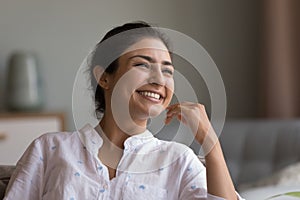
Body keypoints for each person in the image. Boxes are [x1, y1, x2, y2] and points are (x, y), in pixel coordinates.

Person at [4, 21, 244, 200]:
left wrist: (209, 140)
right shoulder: (49, 149)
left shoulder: (178, 160)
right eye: (142, 64)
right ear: (104, 78)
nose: (159, 79)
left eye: (168, 70)